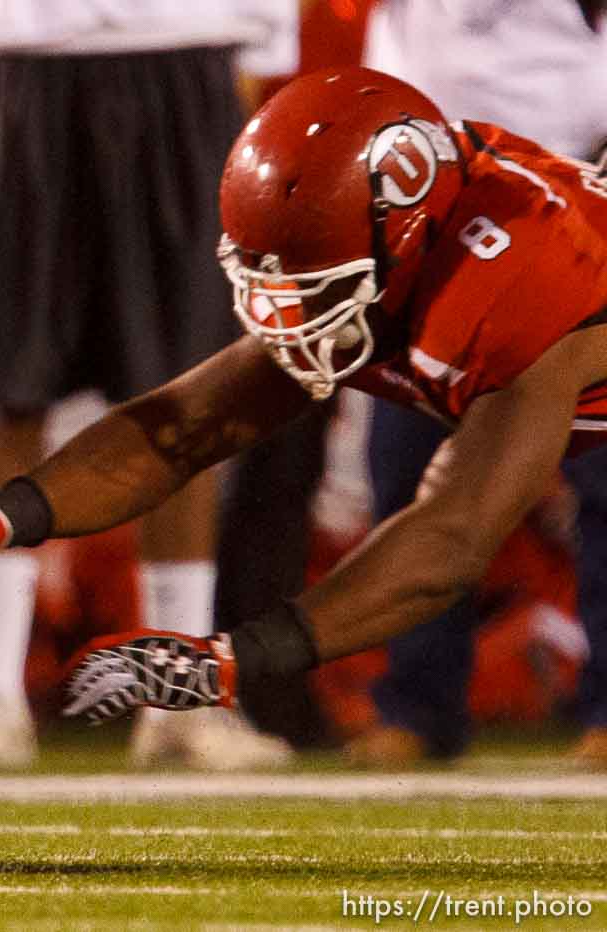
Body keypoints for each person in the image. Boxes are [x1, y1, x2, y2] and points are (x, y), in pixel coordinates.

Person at [0, 67, 607, 729]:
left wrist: (233, 659)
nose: (289, 316)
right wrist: (5, 515)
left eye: (316, 285)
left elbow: (449, 541)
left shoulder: (527, 279)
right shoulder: (385, 236)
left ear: (408, 239)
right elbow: (181, 429)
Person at [0, 0, 298, 772]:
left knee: (184, 399)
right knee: (14, 395)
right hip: (34, 56)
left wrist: (261, 52)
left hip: (191, 52)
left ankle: (176, 696)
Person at [341, 0, 607, 769]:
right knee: (407, 475)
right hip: (429, 198)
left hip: (570, 185)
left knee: (602, 472)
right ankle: (419, 707)